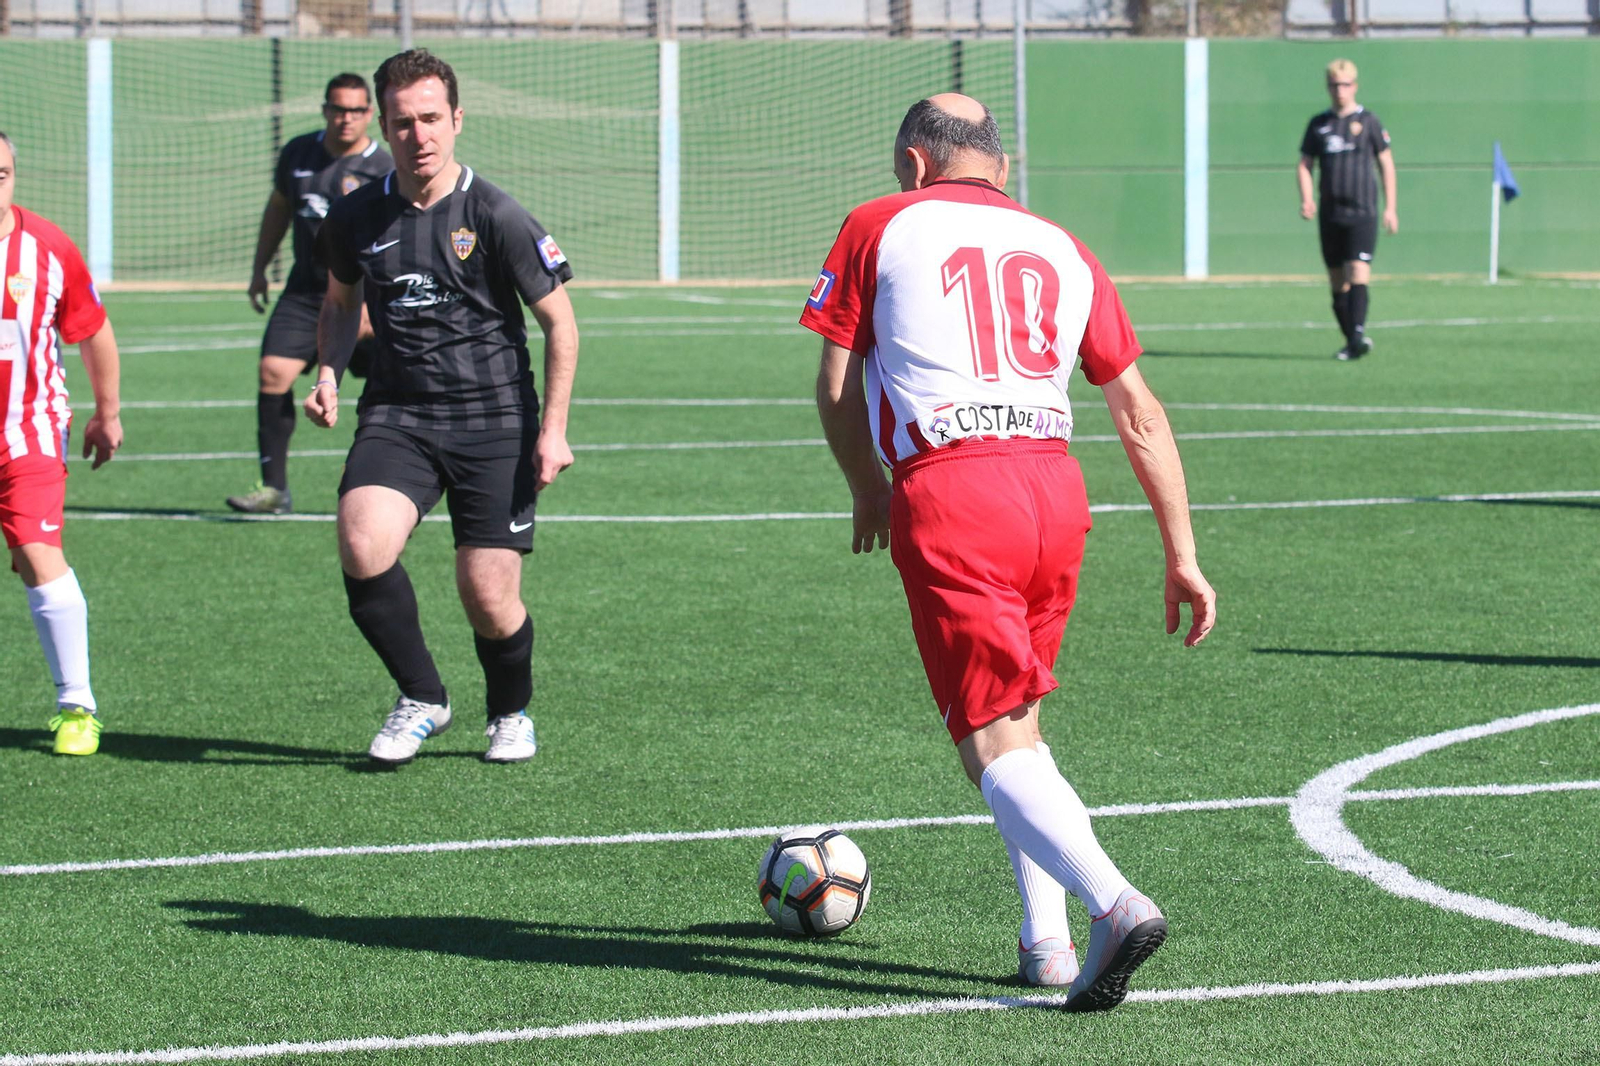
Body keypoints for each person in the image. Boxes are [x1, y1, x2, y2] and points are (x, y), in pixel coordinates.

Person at [802, 95, 1216, 1011]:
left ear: (915, 162)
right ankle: (1047, 942)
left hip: (954, 488)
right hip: (1055, 493)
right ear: (1000, 162)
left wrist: (868, 484)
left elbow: (833, 383)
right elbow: (1139, 411)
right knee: (1017, 724)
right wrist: (1182, 552)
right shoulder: (1064, 246)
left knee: (990, 739)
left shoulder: (880, 221)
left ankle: (1114, 904)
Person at [305, 49, 579, 766]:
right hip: (398, 414)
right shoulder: (356, 216)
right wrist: (331, 372)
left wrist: (553, 432)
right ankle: (422, 696)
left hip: (496, 421)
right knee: (363, 542)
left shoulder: (496, 214)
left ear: (456, 120)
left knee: (486, 594)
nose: (418, 135)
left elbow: (561, 324)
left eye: (431, 119)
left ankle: (510, 712)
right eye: (402, 123)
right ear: (384, 128)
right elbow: (338, 304)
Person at [0, 131, 124, 756]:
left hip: (29, 429)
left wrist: (107, 412)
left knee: (36, 548)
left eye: (2, 173)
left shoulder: (46, 249)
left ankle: (77, 706)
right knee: (27, 560)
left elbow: (93, 330)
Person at [229, 73, 392, 514]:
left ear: (370, 117)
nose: (346, 118)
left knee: (393, 383)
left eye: (357, 110)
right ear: (324, 110)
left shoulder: (384, 169)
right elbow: (279, 207)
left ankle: (384, 482)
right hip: (306, 292)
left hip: (367, 296)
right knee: (272, 372)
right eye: (338, 109)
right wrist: (259, 268)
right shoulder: (298, 153)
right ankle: (274, 490)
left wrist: (372, 305)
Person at [1297, 58, 1399, 361]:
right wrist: (1306, 198)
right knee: (1337, 281)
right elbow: (1304, 164)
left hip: (1363, 211)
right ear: (1328, 87)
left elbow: (1386, 164)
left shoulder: (1369, 122)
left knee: (1358, 271)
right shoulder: (1319, 124)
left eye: (1345, 84)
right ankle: (1352, 339)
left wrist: (1390, 207)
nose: (1339, 90)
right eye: (1334, 85)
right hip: (1330, 214)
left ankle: (1356, 337)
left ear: (1354, 86)